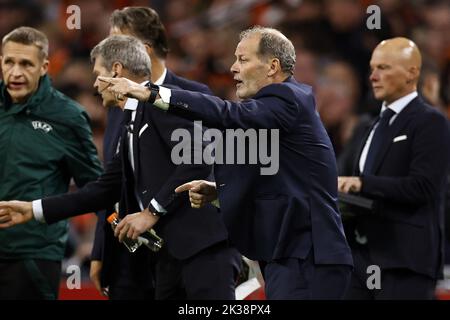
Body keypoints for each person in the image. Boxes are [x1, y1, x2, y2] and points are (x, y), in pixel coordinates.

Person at [96, 26, 354, 300]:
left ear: (272, 66)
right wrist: (218, 190)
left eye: (243, 59)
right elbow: (280, 178)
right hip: (290, 257)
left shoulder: (288, 99)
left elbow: (226, 113)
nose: (233, 68)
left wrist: (152, 93)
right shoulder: (273, 113)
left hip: (307, 256)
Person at [0, 35, 239, 300]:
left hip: (203, 251)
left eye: (98, 74)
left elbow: (198, 159)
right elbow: (102, 189)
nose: (94, 84)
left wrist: (152, 211)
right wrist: (33, 210)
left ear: (115, 71)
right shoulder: (131, 121)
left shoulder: (163, 105)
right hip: (168, 258)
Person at [89, 7, 241, 300]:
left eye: (116, 44)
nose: (106, 55)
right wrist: (100, 250)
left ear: (142, 50)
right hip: (137, 258)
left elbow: (205, 162)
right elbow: (112, 185)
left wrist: (152, 211)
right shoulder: (117, 108)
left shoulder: (194, 95)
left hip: (195, 248)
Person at [338, 37, 450, 299]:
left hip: (404, 261)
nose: (373, 76)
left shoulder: (430, 122)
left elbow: (424, 186)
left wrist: (362, 183)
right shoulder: (372, 126)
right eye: (372, 68)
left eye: (384, 68)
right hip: (362, 256)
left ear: (412, 73)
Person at [0, 26, 102, 300]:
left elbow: (96, 189)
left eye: (26, 64)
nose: (16, 72)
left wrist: (103, 249)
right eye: (9, 62)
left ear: (44, 66)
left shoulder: (67, 117)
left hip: (32, 254)